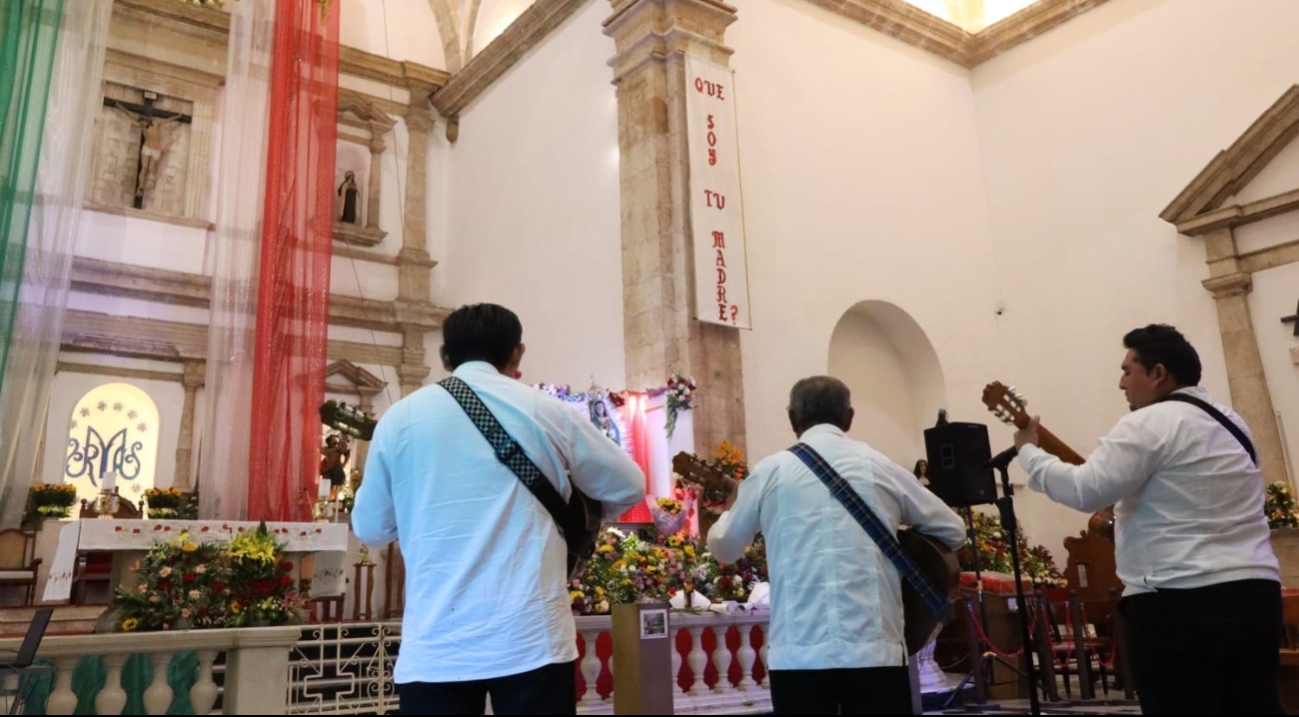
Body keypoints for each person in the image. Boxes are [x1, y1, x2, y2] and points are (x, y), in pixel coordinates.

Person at [352, 303, 646, 716]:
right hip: (532, 638)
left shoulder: (399, 419)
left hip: (437, 645)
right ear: (516, 353)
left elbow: (371, 528)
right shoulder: (545, 409)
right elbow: (629, 485)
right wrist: (577, 507)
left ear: (445, 356)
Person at [1012, 324, 1282, 715]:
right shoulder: (1233, 423)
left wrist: (1029, 454)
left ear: (1158, 373)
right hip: (1255, 595)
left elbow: (1086, 489)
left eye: (1127, 371)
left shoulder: (1149, 422)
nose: (1121, 383)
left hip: (1178, 602)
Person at [708, 376, 965, 716]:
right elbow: (954, 530)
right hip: (875, 651)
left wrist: (731, 510)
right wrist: (902, 534)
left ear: (792, 419)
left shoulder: (771, 471)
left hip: (798, 654)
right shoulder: (879, 466)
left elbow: (725, 549)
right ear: (849, 417)